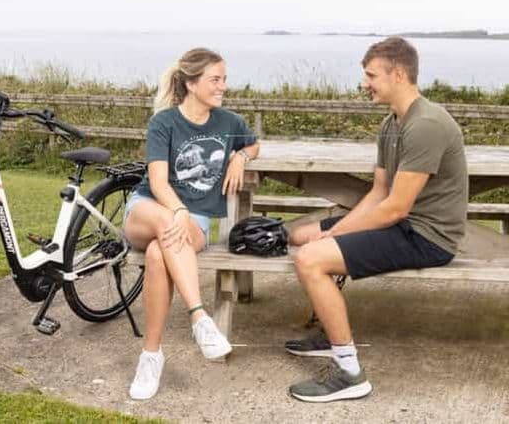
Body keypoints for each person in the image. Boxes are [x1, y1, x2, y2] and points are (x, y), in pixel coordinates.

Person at [286, 37, 468, 403]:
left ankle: (349, 372)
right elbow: (378, 193)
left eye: (371, 75)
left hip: (426, 236)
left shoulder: (426, 124)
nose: (365, 83)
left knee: (310, 259)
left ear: (398, 74)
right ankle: (330, 326)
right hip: (401, 223)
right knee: (299, 237)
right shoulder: (392, 123)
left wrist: (334, 235)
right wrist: (330, 233)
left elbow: (396, 208)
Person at [124, 47, 260, 400]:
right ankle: (200, 317)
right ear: (191, 83)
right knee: (164, 225)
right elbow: (157, 183)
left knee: (158, 255)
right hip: (149, 209)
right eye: (215, 80)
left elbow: (255, 145)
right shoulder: (164, 122)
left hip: (191, 224)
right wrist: (178, 211)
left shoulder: (230, 123)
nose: (223, 87)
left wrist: (241, 156)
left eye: (224, 79)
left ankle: (150, 357)